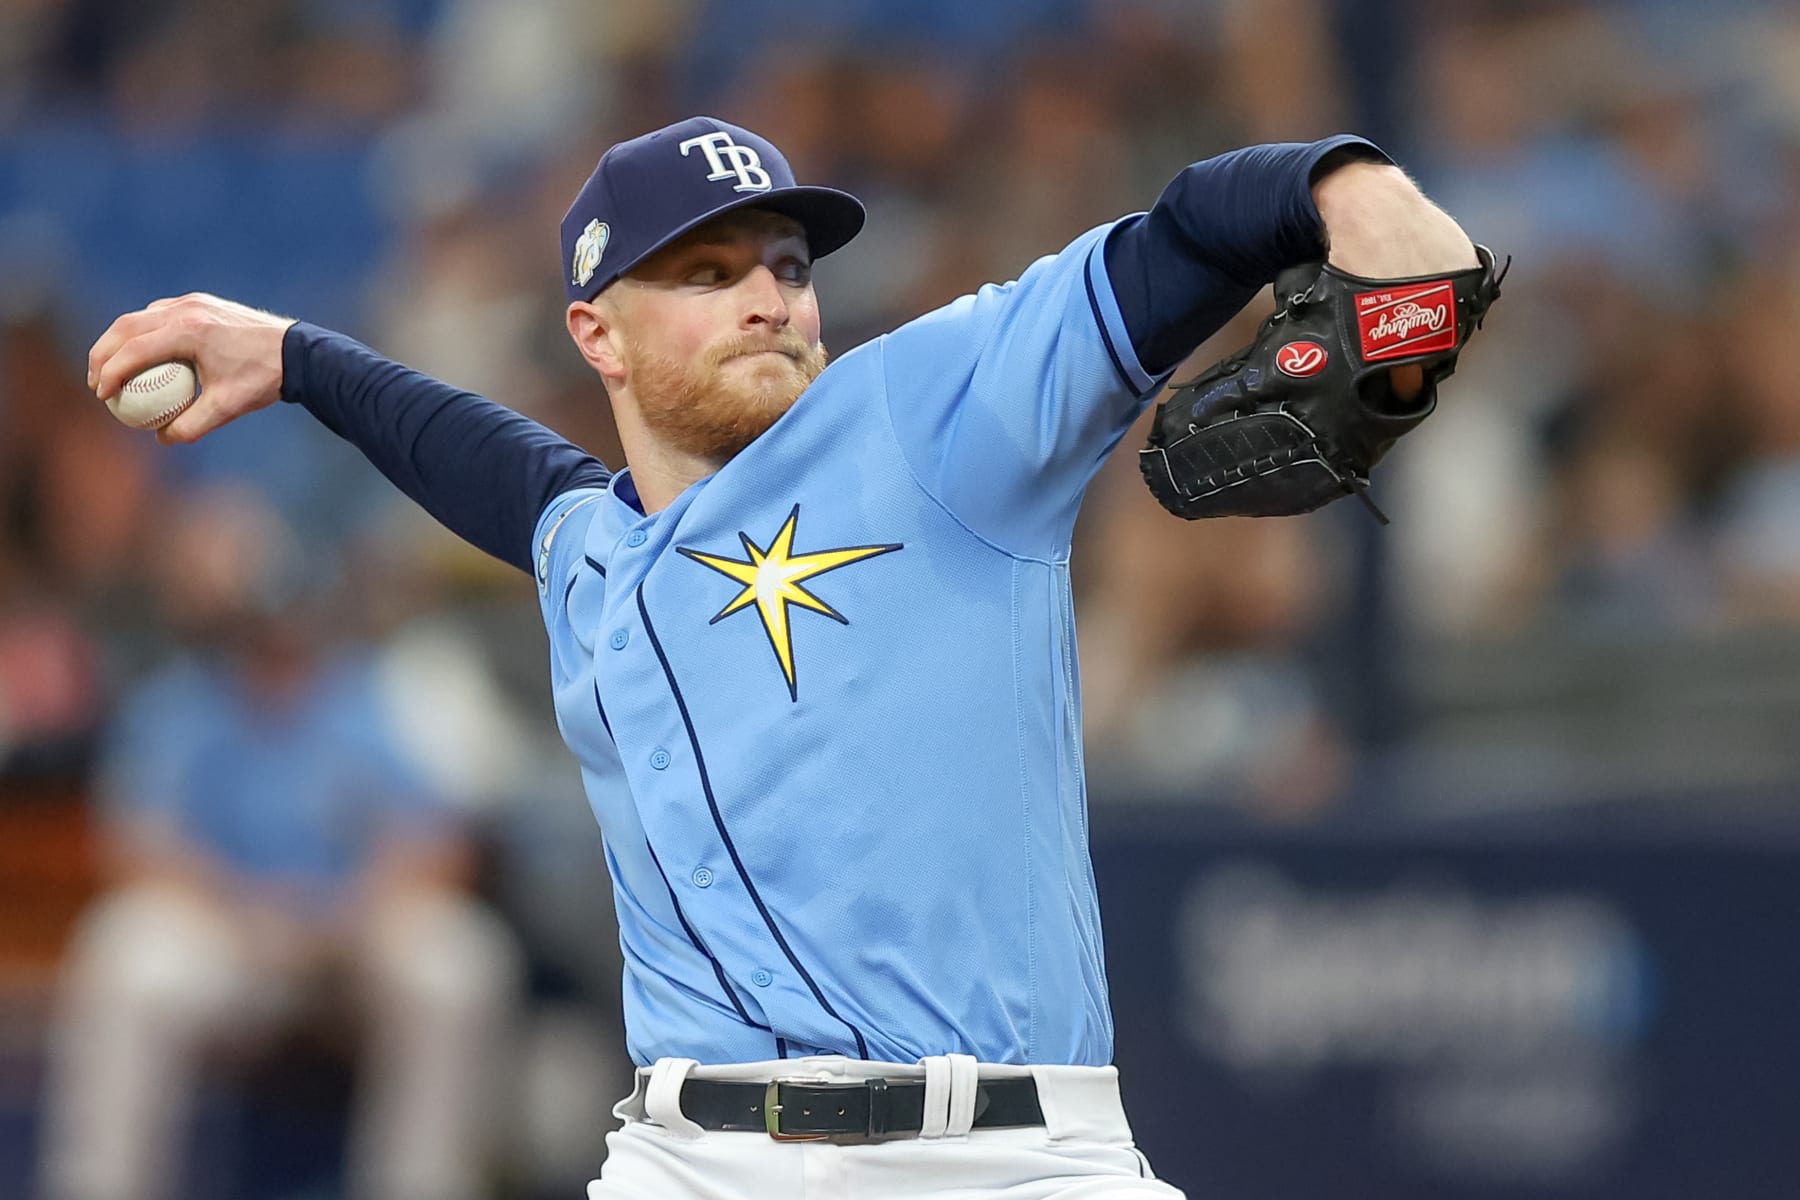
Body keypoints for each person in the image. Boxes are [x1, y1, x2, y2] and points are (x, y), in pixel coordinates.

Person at [86, 115, 1479, 1197]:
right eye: (705, 273)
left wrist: (1349, 190)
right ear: (597, 334)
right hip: (694, 1157)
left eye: (789, 266)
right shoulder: (593, 554)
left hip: (1003, 1153)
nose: (768, 297)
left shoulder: (931, 417)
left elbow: (1182, 239)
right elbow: (487, 462)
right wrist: (296, 354)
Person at [38, 491, 522, 1200]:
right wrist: (247, 910)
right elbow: (141, 850)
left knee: (457, 963)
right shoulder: (181, 703)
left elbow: (441, 842)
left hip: (353, 931)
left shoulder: (372, 694)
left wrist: (351, 908)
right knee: (128, 956)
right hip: (232, 935)